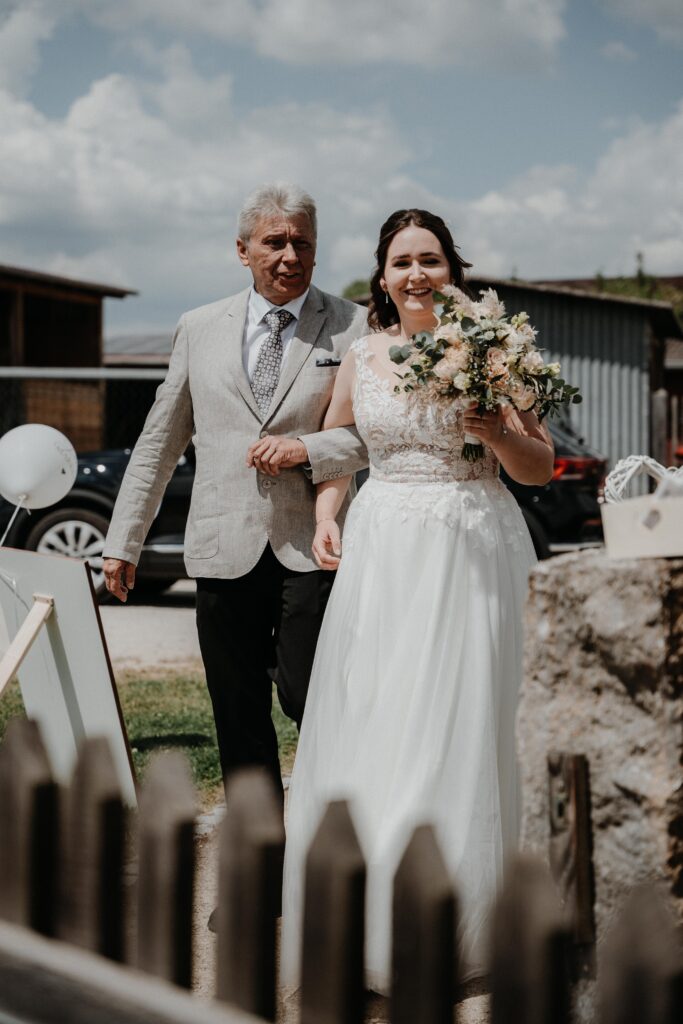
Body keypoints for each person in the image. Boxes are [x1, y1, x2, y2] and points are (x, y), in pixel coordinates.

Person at [280, 209, 554, 991]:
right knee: (382, 709)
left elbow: (536, 468)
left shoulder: (493, 350)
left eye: (429, 259)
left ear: (452, 270)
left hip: (474, 540)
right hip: (386, 548)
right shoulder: (360, 356)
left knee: (470, 713)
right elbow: (340, 452)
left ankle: (474, 913)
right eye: (401, 261)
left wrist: (495, 435)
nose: (415, 275)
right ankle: (372, 912)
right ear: (380, 276)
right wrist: (329, 515)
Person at [102, 183, 368, 804]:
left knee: (312, 697)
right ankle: (261, 869)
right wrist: (125, 542)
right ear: (242, 250)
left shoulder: (356, 325)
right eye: (274, 242)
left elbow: (373, 437)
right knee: (238, 718)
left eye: (302, 242)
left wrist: (309, 449)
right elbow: (157, 444)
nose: (289, 255)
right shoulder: (197, 328)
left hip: (315, 547)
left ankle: (332, 842)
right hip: (223, 550)